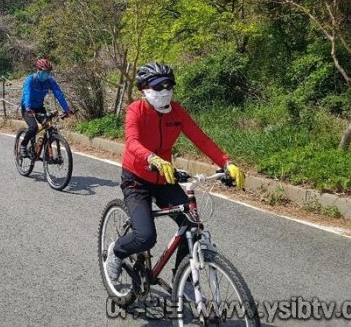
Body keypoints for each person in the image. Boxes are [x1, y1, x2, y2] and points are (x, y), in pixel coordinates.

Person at [105, 62, 246, 283]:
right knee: (145, 237)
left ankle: (183, 279)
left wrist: (226, 162)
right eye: (159, 86)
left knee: (192, 225)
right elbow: (132, 141)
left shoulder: (177, 112)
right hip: (137, 179)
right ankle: (117, 252)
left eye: (169, 85)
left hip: (165, 178)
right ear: (144, 88)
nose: (165, 91)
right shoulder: (136, 110)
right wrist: (153, 158)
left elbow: (201, 139)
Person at [18, 58, 72, 158]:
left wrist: (67, 110)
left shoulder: (50, 81)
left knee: (49, 126)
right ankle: (23, 146)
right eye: (44, 72)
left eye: (48, 72)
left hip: (39, 107)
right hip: (27, 108)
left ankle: (47, 152)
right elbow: (27, 94)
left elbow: (59, 95)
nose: (46, 74)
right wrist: (28, 107)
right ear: (38, 70)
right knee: (34, 127)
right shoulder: (31, 79)